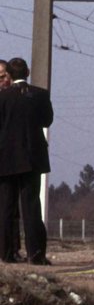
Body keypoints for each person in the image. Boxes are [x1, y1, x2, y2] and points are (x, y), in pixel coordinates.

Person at [0, 58, 54, 266]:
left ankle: (6, 253)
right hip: (33, 157)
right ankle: (36, 254)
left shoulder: (2, 97)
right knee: (31, 205)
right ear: (28, 72)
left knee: (6, 206)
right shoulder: (40, 95)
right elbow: (46, 121)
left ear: (9, 76)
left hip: (6, 158)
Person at [0, 59, 19, 263]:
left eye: (3, 76)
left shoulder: (13, 99)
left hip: (7, 161)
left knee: (10, 207)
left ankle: (11, 249)